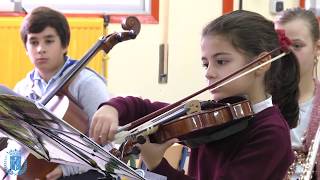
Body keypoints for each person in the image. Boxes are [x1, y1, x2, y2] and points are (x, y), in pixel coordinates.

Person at [89, 10, 300, 180]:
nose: (209, 72)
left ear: (261, 63)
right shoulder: (214, 114)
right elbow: (144, 108)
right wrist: (112, 108)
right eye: (205, 63)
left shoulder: (271, 133)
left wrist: (158, 165)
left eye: (221, 61)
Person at [0, 6, 112, 180]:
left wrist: (65, 170)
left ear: (64, 45)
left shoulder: (86, 83)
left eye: (49, 41)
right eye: (34, 42)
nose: (40, 49)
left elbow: (107, 145)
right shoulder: (23, 88)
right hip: (40, 172)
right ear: (25, 48)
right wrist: (10, 173)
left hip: (85, 173)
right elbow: (18, 142)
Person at [275, 7, 320, 179]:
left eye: (297, 45)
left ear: (317, 47)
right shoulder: (260, 100)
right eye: (281, 46)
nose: (287, 54)